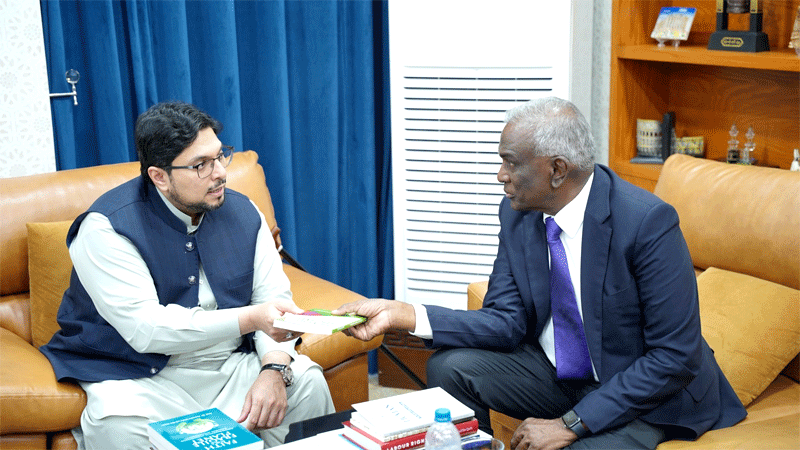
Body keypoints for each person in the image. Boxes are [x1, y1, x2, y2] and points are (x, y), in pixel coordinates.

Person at [334, 97, 746, 450]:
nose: (501, 176)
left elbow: (674, 357)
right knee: (450, 367)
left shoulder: (646, 222)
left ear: (557, 170)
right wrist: (404, 315)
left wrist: (570, 424)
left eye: (510, 163)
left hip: (646, 393)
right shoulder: (519, 217)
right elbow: (505, 320)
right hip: (562, 374)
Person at [40, 101, 334, 450]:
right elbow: (146, 330)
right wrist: (251, 318)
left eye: (221, 155)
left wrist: (273, 370)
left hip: (229, 366)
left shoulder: (244, 212)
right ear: (159, 177)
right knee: (118, 427)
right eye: (201, 166)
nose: (221, 172)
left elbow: (275, 301)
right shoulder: (105, 228)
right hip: (141, 377)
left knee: (307, 384)